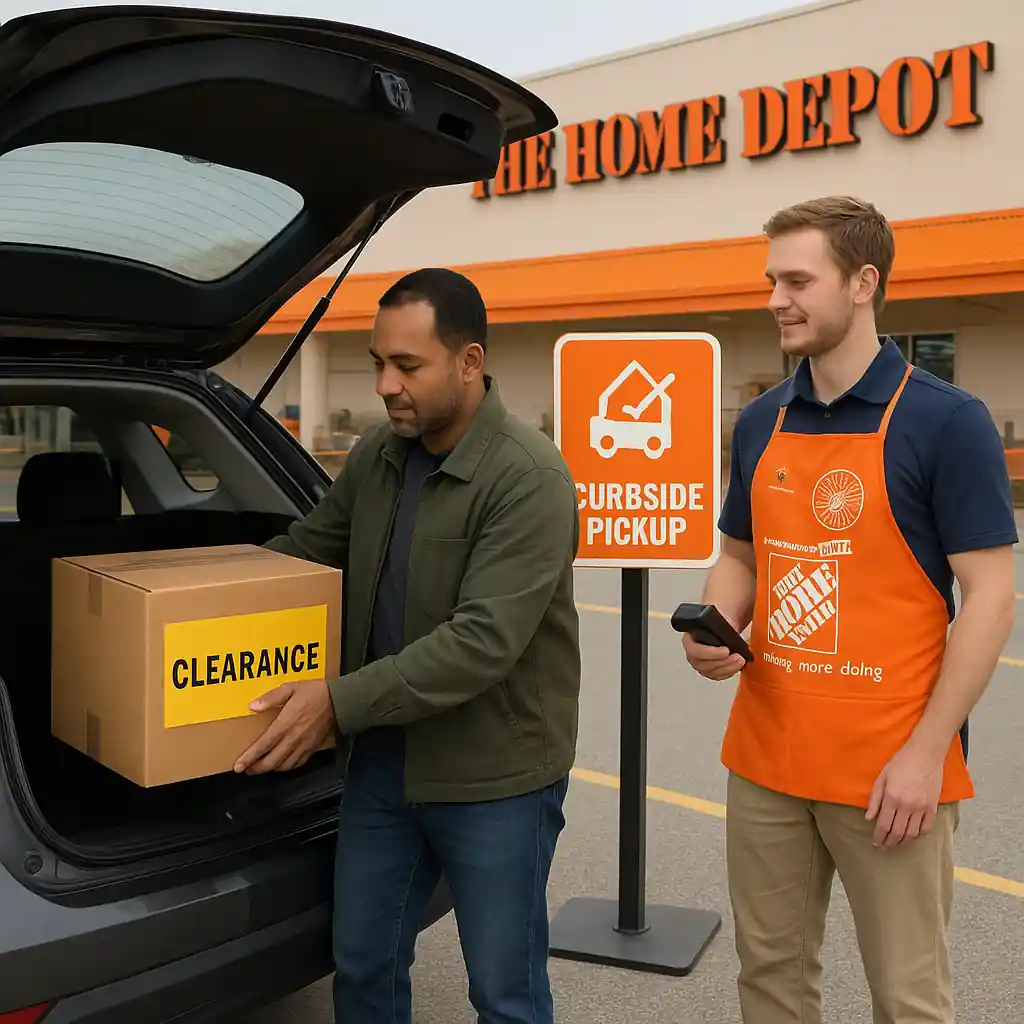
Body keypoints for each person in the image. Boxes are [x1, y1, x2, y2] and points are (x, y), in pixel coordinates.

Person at [681, 196, 1017, 1024]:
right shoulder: (762, 420)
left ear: (864, 282)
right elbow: (738, 557)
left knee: (907, 998)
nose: (775, 299)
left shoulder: (947, 421)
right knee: (770, 979)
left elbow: (992, 596)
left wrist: (926, 756)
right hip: (766, 761)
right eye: (771, 280)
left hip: (891, 775)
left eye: (798, 279)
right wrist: (716, 623)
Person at [232, 267, 582, 1024]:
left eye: (408, 366)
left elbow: (481, 643)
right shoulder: (378, 456)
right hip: (384, 765)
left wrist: (336, 702)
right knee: (362, 966)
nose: (387, 385)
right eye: (378, 364)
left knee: (505, 993)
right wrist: (194, 591)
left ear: (469, 362)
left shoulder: (529, 478)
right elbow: (307, 550)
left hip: (495, 780)